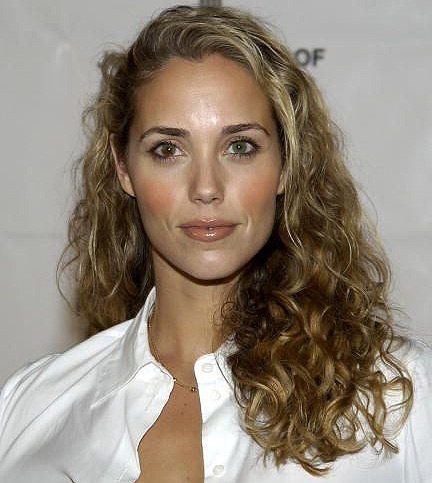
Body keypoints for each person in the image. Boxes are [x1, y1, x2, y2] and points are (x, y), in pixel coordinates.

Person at [0, 4, 431, 482]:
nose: (206, 187)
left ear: (285, 165)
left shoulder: (398, 397)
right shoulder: (30, 410)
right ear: (124, 169)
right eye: (168, 149)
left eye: (239, 147)